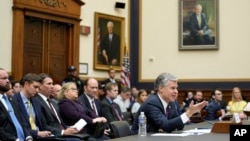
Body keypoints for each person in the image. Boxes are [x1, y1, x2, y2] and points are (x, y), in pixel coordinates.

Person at [131, 72, 207, 133]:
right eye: (172, 88)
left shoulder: (171, 102)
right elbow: (167, 125)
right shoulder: (152, 103)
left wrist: (168, 126)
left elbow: (179, 126)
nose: (176, 91)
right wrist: (189, 113)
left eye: (176, 88)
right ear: (161, 88)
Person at [34, 73, 82, 141]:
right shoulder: (37, 101)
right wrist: (63, 132)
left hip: (62, 133)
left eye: (52, 83)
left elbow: (60, 122)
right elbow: (43, 126)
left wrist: (69, 129)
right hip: (51, 136)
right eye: (49, 84)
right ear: (40, 86)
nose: (52, 86)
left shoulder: (54, 103)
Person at [0, 68, 33, 141]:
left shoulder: (12, 100)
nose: (8, 81)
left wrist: (28, 137)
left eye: (8, 78)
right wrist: (15, 139)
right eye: (4, 78)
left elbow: (22, 121)